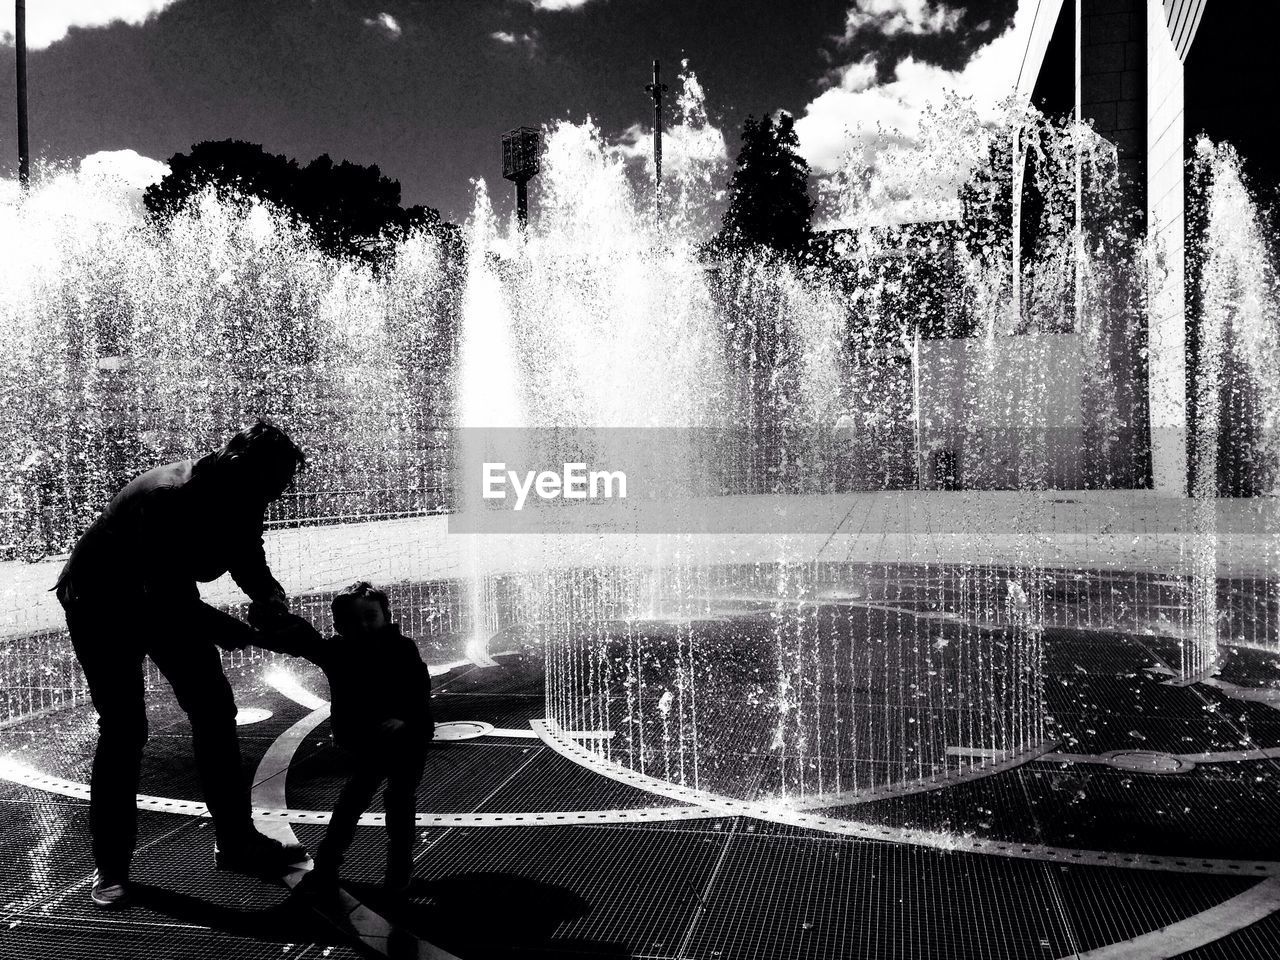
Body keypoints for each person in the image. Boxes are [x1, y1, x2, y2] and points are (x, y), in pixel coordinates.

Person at [54, 419, 311, 909]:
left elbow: (245, 552)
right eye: (269, 489)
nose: (270, 501)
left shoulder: (245, 488)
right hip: (100, 601)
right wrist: (236, 631)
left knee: (214, 708)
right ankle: (111, 867)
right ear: (239, 468)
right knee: (125, 728)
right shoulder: (168, 499)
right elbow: (170, 605)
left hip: (157, 593)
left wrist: (270, 600)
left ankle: (236, 841)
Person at [274, 581, 433, 898]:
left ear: (386, 616)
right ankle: (332, 861)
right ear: (338, 626)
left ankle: (396, 868)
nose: (362, 625)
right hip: (371, 742)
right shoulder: (338, 652)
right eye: (352, 621)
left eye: (370, 616)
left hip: (406, 740)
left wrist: (406, 719)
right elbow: (305, 641)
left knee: (394, 802)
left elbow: (418, 688)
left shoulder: (402, 648)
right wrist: (276, 619)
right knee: (357, 801)